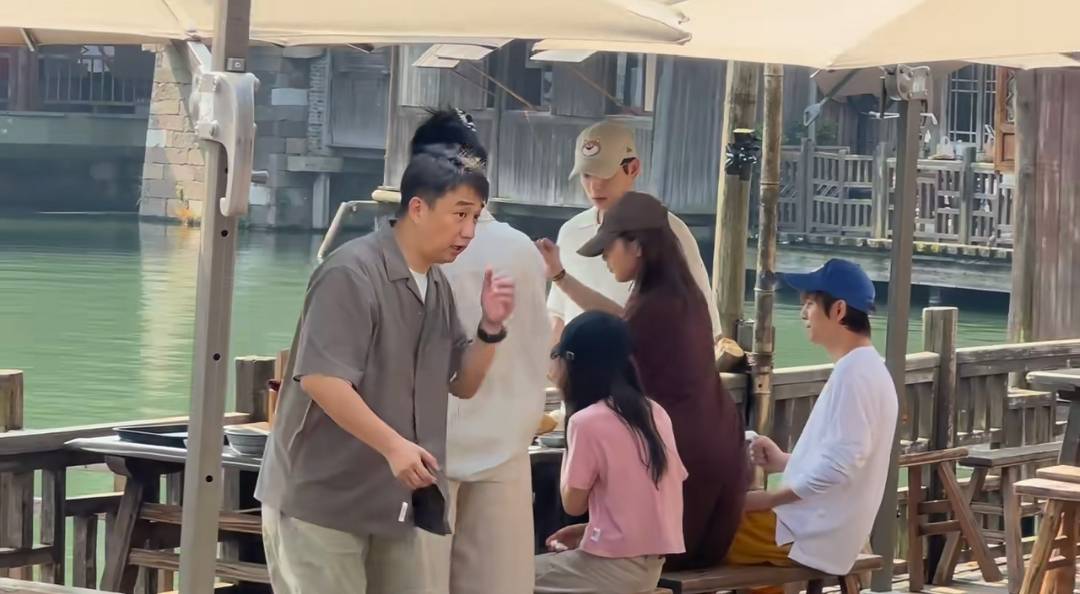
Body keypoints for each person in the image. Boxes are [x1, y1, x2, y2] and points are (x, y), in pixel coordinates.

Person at [254, 111, 516, 594]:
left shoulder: (436, 284)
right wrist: (395, 446)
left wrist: (491, 328)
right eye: (459, 214)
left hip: (395, 499)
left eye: (475, 218)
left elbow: (463, 382)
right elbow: (322, 379)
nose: (468, 232)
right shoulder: (350, 272)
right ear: (417, 208)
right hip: (323, 500)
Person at [535, 192, 748, 569]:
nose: (604, 257)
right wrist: (561, 278)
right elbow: (621, 322)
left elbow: (615, 334)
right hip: (717, 468)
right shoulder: (678, 294)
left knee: (557, 501)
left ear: (636, 245)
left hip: (685, 481)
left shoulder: (658, 305)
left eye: (608, 247)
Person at [419, 111, 551, 594]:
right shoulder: (521, 250)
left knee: (419, 583)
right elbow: (538, 343)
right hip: (506, 442)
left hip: (424, 450)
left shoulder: (413, 247)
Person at [727, 258, 898, 583]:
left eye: (809, 304)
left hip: (805, 535)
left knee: (697, 530)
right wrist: (784, 461)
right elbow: (845, 460)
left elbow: (840, 466)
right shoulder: (867, 368)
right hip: (820, 532)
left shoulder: (855, 374)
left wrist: (769, 499)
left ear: (839, 310)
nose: (803, 314)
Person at [536, 311, 687, 594]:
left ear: (572, 361)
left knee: (500, 577)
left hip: (610, 571)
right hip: (650, 568)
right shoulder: (655, 412)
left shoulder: (585, 422)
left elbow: (572, 504)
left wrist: (569, 425)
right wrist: (589, 529)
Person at [546, 119, 722, 346]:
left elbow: (705, 324)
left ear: (633, 169)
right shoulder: (570, 232)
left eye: (605, 174)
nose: (595, 186)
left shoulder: (668, 231)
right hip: (577, 365)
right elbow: (558, 315)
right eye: (587, 175)